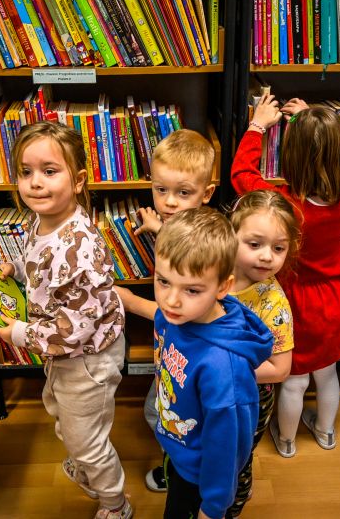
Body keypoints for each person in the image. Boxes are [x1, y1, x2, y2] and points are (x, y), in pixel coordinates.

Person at [0, 121, 130, 519]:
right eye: (25, 171)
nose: (35, 183)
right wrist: (18, 269)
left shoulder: (79, 250)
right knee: (56, 406)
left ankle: (114, 503)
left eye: (50, 171)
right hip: (62, 349)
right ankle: (81, 451)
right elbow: (41, 265)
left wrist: (20, 333)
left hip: (87, 355)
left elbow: (76, 328)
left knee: (88, 439)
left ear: (79, 180)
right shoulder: (45, 220)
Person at [232, 95, 340, 456]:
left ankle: (287, 441)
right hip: (337, 298)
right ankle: (326, 433)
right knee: (327, 373)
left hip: (298, 303)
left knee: (293, 380)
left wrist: (258, 126)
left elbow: (242, 175)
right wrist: (315, 120)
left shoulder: (284, 206)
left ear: (290, 159)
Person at [150, 207, 273, 519]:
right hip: (178, 448)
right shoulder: (177, 313)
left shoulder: (224, 370)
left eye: (191, 289)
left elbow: (228, 449)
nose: (171, 300)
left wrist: (213, 508)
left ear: (222, 287)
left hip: (199, 476)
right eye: (163, 281)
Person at [131, 129, 217, 493]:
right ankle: (183, 461)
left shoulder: (205, 242)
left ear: (207, 193)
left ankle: (183, 467)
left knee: (165, 414)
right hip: (171, 349)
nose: (168, 202)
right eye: (160, 190)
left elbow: (178, 306)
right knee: (170, 414)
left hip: (187, 351)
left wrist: (128, 300)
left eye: (184, 193)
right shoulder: (178, 224)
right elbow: (174, 234)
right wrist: (157, 228)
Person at [226, 190, 298, 517]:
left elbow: (281, 369)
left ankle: (235, 501)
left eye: (278, 248)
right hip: (210, 388)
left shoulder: (274, 304)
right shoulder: (213, 272)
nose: (267, 256)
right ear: (231, 236)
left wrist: (226, 370)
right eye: (254, 245)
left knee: (237, 457)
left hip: (250, 397)